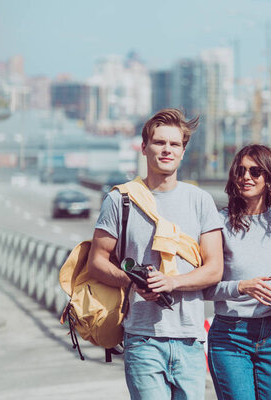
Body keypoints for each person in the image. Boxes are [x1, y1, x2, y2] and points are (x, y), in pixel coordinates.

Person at [87, 108, 224, 400]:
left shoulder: (200, 200)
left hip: (190, 338)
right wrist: (132, 282)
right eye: (160, 142)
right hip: (142, 337)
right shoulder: (120, 199)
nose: (167, 150)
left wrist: (172, 282)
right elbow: (96, 262)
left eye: (175, 144)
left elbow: (215, 268)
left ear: (183, 151)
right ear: (144, 146)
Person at [204, 144, 271, 400]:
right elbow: (204, 288)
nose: (246, 177)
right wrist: (241, 287)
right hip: (231, 336)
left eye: (255, 171)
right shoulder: (218, 223)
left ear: (269, 177)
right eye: (241, 171)